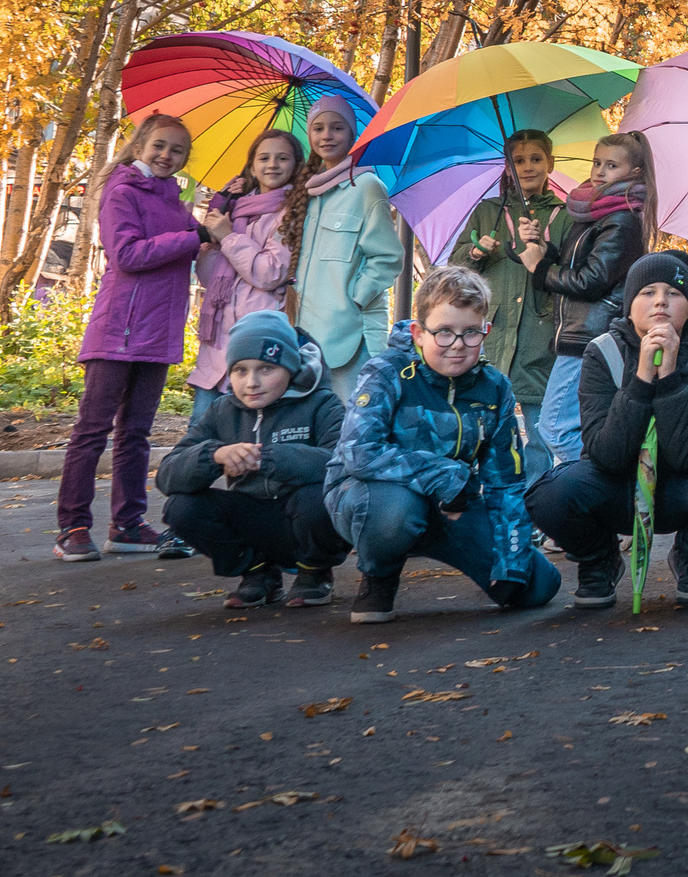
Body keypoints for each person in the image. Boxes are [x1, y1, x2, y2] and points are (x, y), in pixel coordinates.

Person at [323, 266, 561, 624]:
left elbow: (506, 481)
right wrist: (446, 475)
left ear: (486, 331)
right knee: (395, 514)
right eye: (444, 333)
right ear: (419, 333)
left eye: (470, 333)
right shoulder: (386, 372)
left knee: (539, 586)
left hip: (454, 504)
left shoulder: (494, 388)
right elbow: (360, 452)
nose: (458, 346)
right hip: (375, 496)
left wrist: (511, 562)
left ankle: (457, 546)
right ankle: (379, 575)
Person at [528, 252, 688, 608]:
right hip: (616, 483)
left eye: (673, 293)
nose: (660, 303)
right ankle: (599, 560)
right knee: (549, 495)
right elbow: (605, 454)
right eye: (647, 292)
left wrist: (668, 378)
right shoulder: (601, 351)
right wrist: (640, 379)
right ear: (629, 303)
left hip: (682, 486)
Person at [56, 113, 205, 564]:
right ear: (139, 145)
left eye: (177, 151)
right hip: (119, 329)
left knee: (136, 434)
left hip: (158, 332)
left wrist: (208, 222)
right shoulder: (122, 191)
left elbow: (187, 243)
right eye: (159, 145)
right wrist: (192, 237)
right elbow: (127, 255)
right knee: (92, 431)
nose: (166, 156)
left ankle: (128, 524)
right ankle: (72, 527)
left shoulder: (175, 201)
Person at [156, 312, 348, 608]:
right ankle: (258, 574)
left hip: (307, 520)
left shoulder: (323, 403)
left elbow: (343, 463)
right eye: (240, 371)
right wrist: (214, 455)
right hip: (253, 518)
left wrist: (267, 458)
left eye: (266, 369)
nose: (252, 382)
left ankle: (315, 573)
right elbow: (168, 475)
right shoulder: (222, 410)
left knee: (318, 497)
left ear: (290, 366)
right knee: (182, 507)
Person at [520, 130, 653, 466]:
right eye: (597, 163)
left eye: (611, 166)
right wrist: (543, 249)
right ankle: (594, 493)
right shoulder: (595, 213)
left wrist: (540, 269)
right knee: (580, 425)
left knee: (554, 428)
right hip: (581, 332)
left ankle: (601, 483)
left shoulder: (621, 219)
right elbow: (579, 266)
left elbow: (592, 281)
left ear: (635, 173)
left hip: (591, 334)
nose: (599, 171)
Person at [451, 128, 568, 477]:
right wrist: (474, 252)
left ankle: (535, 505)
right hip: (492, 335)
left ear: (550, 163)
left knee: (539, 432)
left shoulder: (565, 215)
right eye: (518, 160)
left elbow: (572, 270)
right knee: (482, 425)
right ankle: (486, 497)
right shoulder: (488, 212)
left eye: (536, 159)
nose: (527, 167)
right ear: (506, 167)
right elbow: (455, 267)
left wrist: (546, 251)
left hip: (540, 334)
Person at [191, 128, 308, 425]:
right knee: (201, 429)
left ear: (295, 165)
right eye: (264, 158)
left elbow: (270, 273)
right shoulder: (237, 208)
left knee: (246, 431)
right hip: (218, 339)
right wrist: (213, 238)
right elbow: (208, 277)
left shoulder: (291, 212)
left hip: (258, 333)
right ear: (252, 166)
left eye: (282, 158)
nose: (272, 165)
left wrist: (228, 238)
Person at [288, 94, 403, 380]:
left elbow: (388, 257)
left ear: (352, 134)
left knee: (348, 422)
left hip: (349, 338)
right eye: (318, 128)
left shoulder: (366, 186)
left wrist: (355, 298)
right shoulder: (307, 191)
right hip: (304, 335)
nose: (327, 135)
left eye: (337, 127)